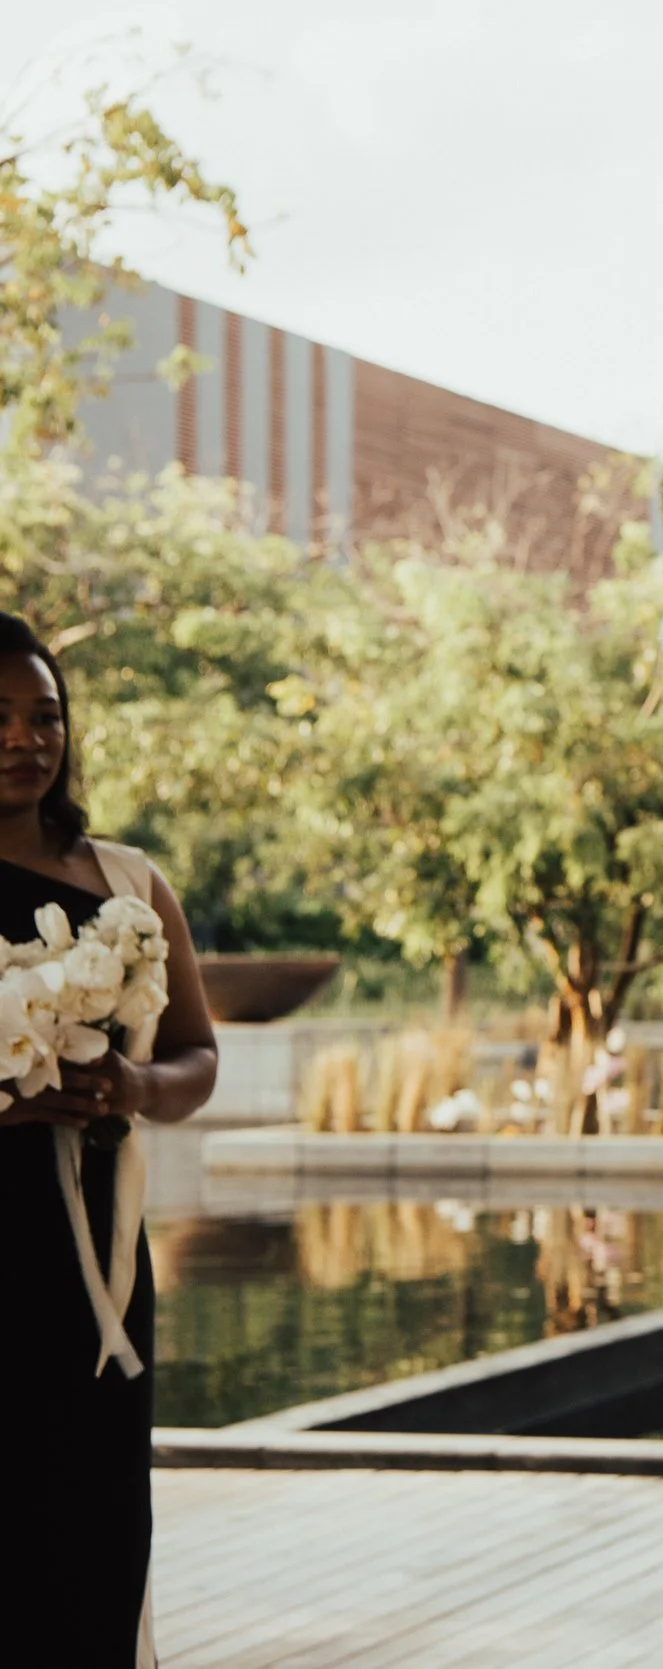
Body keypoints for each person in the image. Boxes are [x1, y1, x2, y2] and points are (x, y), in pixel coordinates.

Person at [0, 611, 219, 1669]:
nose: (23, 737)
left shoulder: (130, 886)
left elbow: (199, 1059)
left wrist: (133, 1081)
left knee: (89, 1527)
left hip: (92, 1260)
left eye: (44, 715)